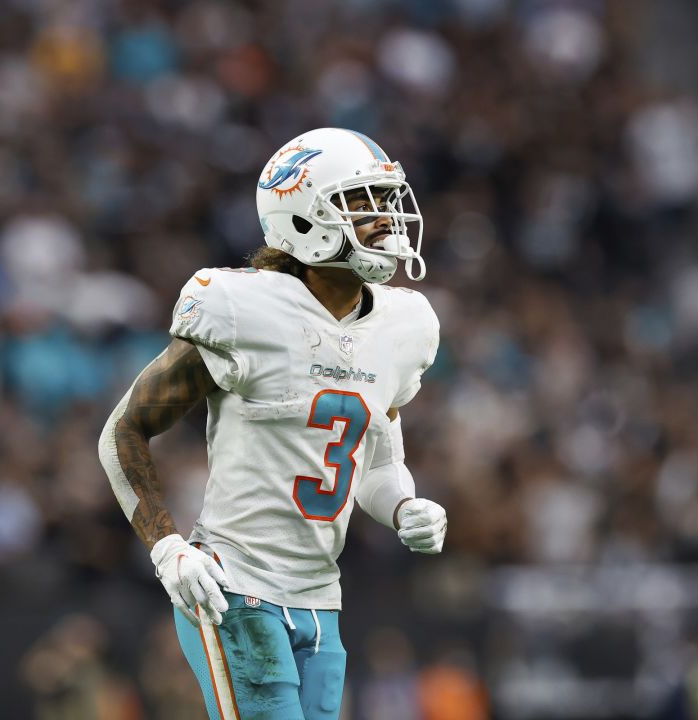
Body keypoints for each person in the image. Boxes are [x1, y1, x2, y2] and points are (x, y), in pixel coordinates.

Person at [98, 127, 448, 720]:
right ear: (304, 220)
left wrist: (402, 504)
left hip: (320, 597)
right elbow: (124, 431)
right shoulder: (242, 309)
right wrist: (168, 548)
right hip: (235, 586)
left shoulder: (403, 324)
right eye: (362, 203)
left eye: (388, 201)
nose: (386, 220)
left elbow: (377, 460)